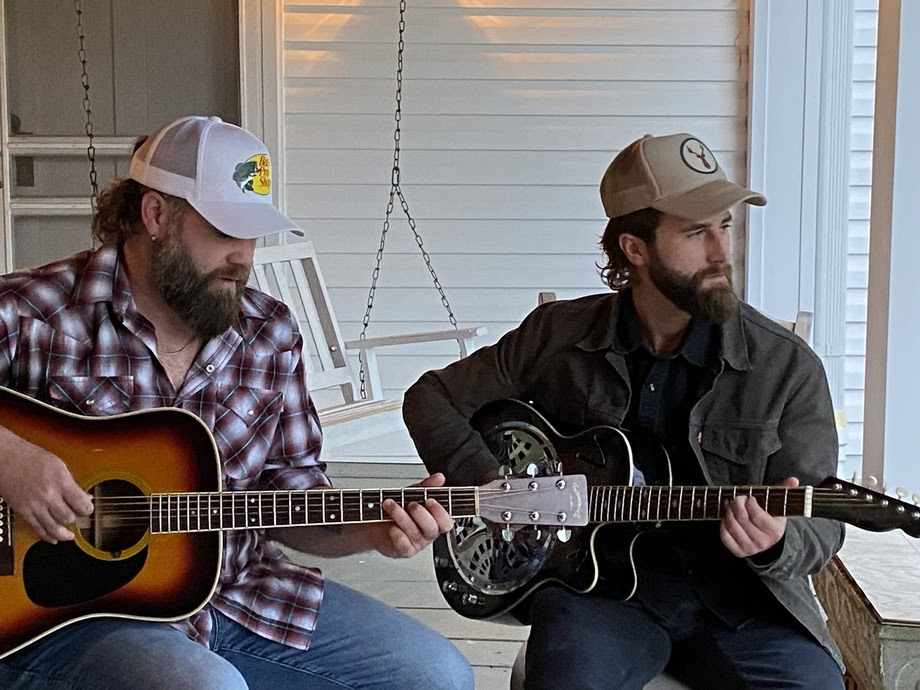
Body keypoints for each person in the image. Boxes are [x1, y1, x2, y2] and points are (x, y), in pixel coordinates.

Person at [0, 116, 474, 690]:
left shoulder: (268, 332)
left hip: (238, 593)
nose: (243, 257)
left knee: (438, 675)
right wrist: (11, 461)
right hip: (69, 615)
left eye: (254, 236)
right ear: (156, 215)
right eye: (226, 231)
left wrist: (371, 531)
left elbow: (292, 494)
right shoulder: (35, 310)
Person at [402, 133, 845, 689]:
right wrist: (494, 486)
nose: (722, 252)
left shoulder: (786, 366)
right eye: (697, 233)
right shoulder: (558, 334)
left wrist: (777, 540)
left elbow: (824, 519)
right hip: (598, 595)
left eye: (725, 226)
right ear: (635, 248)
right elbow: (430, 398)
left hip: (743, 602)